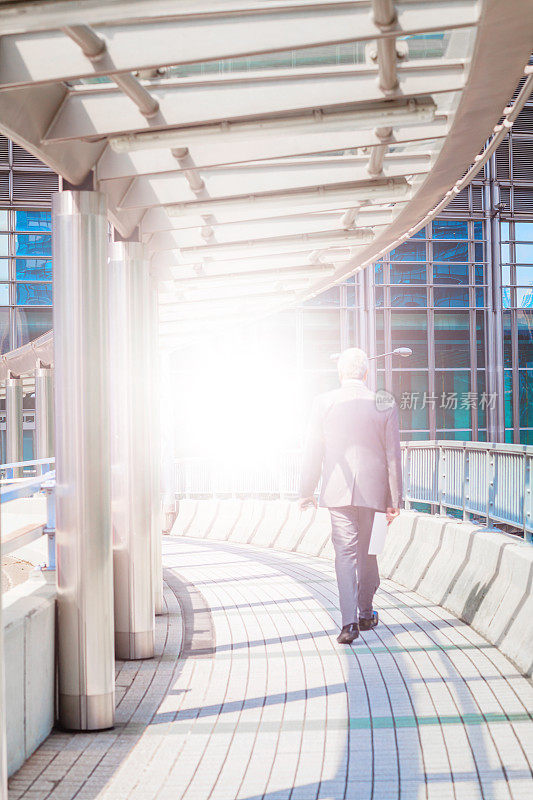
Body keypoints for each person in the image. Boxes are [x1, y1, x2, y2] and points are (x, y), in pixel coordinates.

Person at [299, 347, 403, 644]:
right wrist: (395, 500)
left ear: (340, 373)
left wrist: (307, 491)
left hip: (337, 492)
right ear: (366, 373)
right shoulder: (384, 402)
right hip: (378, 494)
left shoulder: (323, 403)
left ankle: (348, 624)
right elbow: (393, 455)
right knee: (370, 551)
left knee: (344, 555)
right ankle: (366, 613)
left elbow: (312, 451)